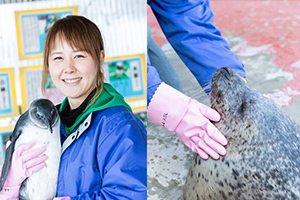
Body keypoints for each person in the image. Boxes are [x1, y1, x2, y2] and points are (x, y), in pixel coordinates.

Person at [0, 15, 147, 199]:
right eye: (58, 58)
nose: (68, 68)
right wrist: (10, 186)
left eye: (78, 56)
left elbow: (129, 195)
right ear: (48, 64)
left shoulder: (119, 127)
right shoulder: (49, 124)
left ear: (100, 58)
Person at [147, 0, 246, 160]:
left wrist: (230, 79)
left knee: (169, 86)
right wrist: (167, 107)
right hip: (99, 30)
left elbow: (184, 9)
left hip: (126, 20)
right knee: (136, 104)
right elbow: (118, 65)